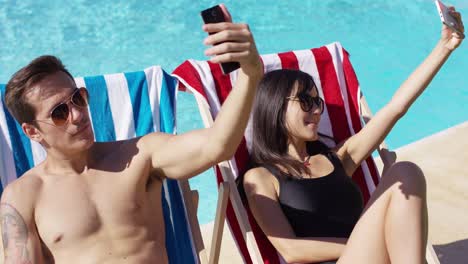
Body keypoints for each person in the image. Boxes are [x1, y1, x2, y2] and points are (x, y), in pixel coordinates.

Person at [0, 5, 263, 264]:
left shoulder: (140, 155)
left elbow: (217, 145)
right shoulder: (24, 196)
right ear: (32, 132)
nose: (78, 115)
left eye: (78, 99)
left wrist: (250, 73)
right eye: (60, 113)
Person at [241, 7, 464, 264]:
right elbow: (292, 252)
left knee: (405, 170)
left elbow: (396, 108)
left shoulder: (340, 157)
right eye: (305, 101)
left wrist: (445, 47)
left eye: (317, 102)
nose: (316, 110)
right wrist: (375, 240)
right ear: (275, 108)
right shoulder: (260, 177)